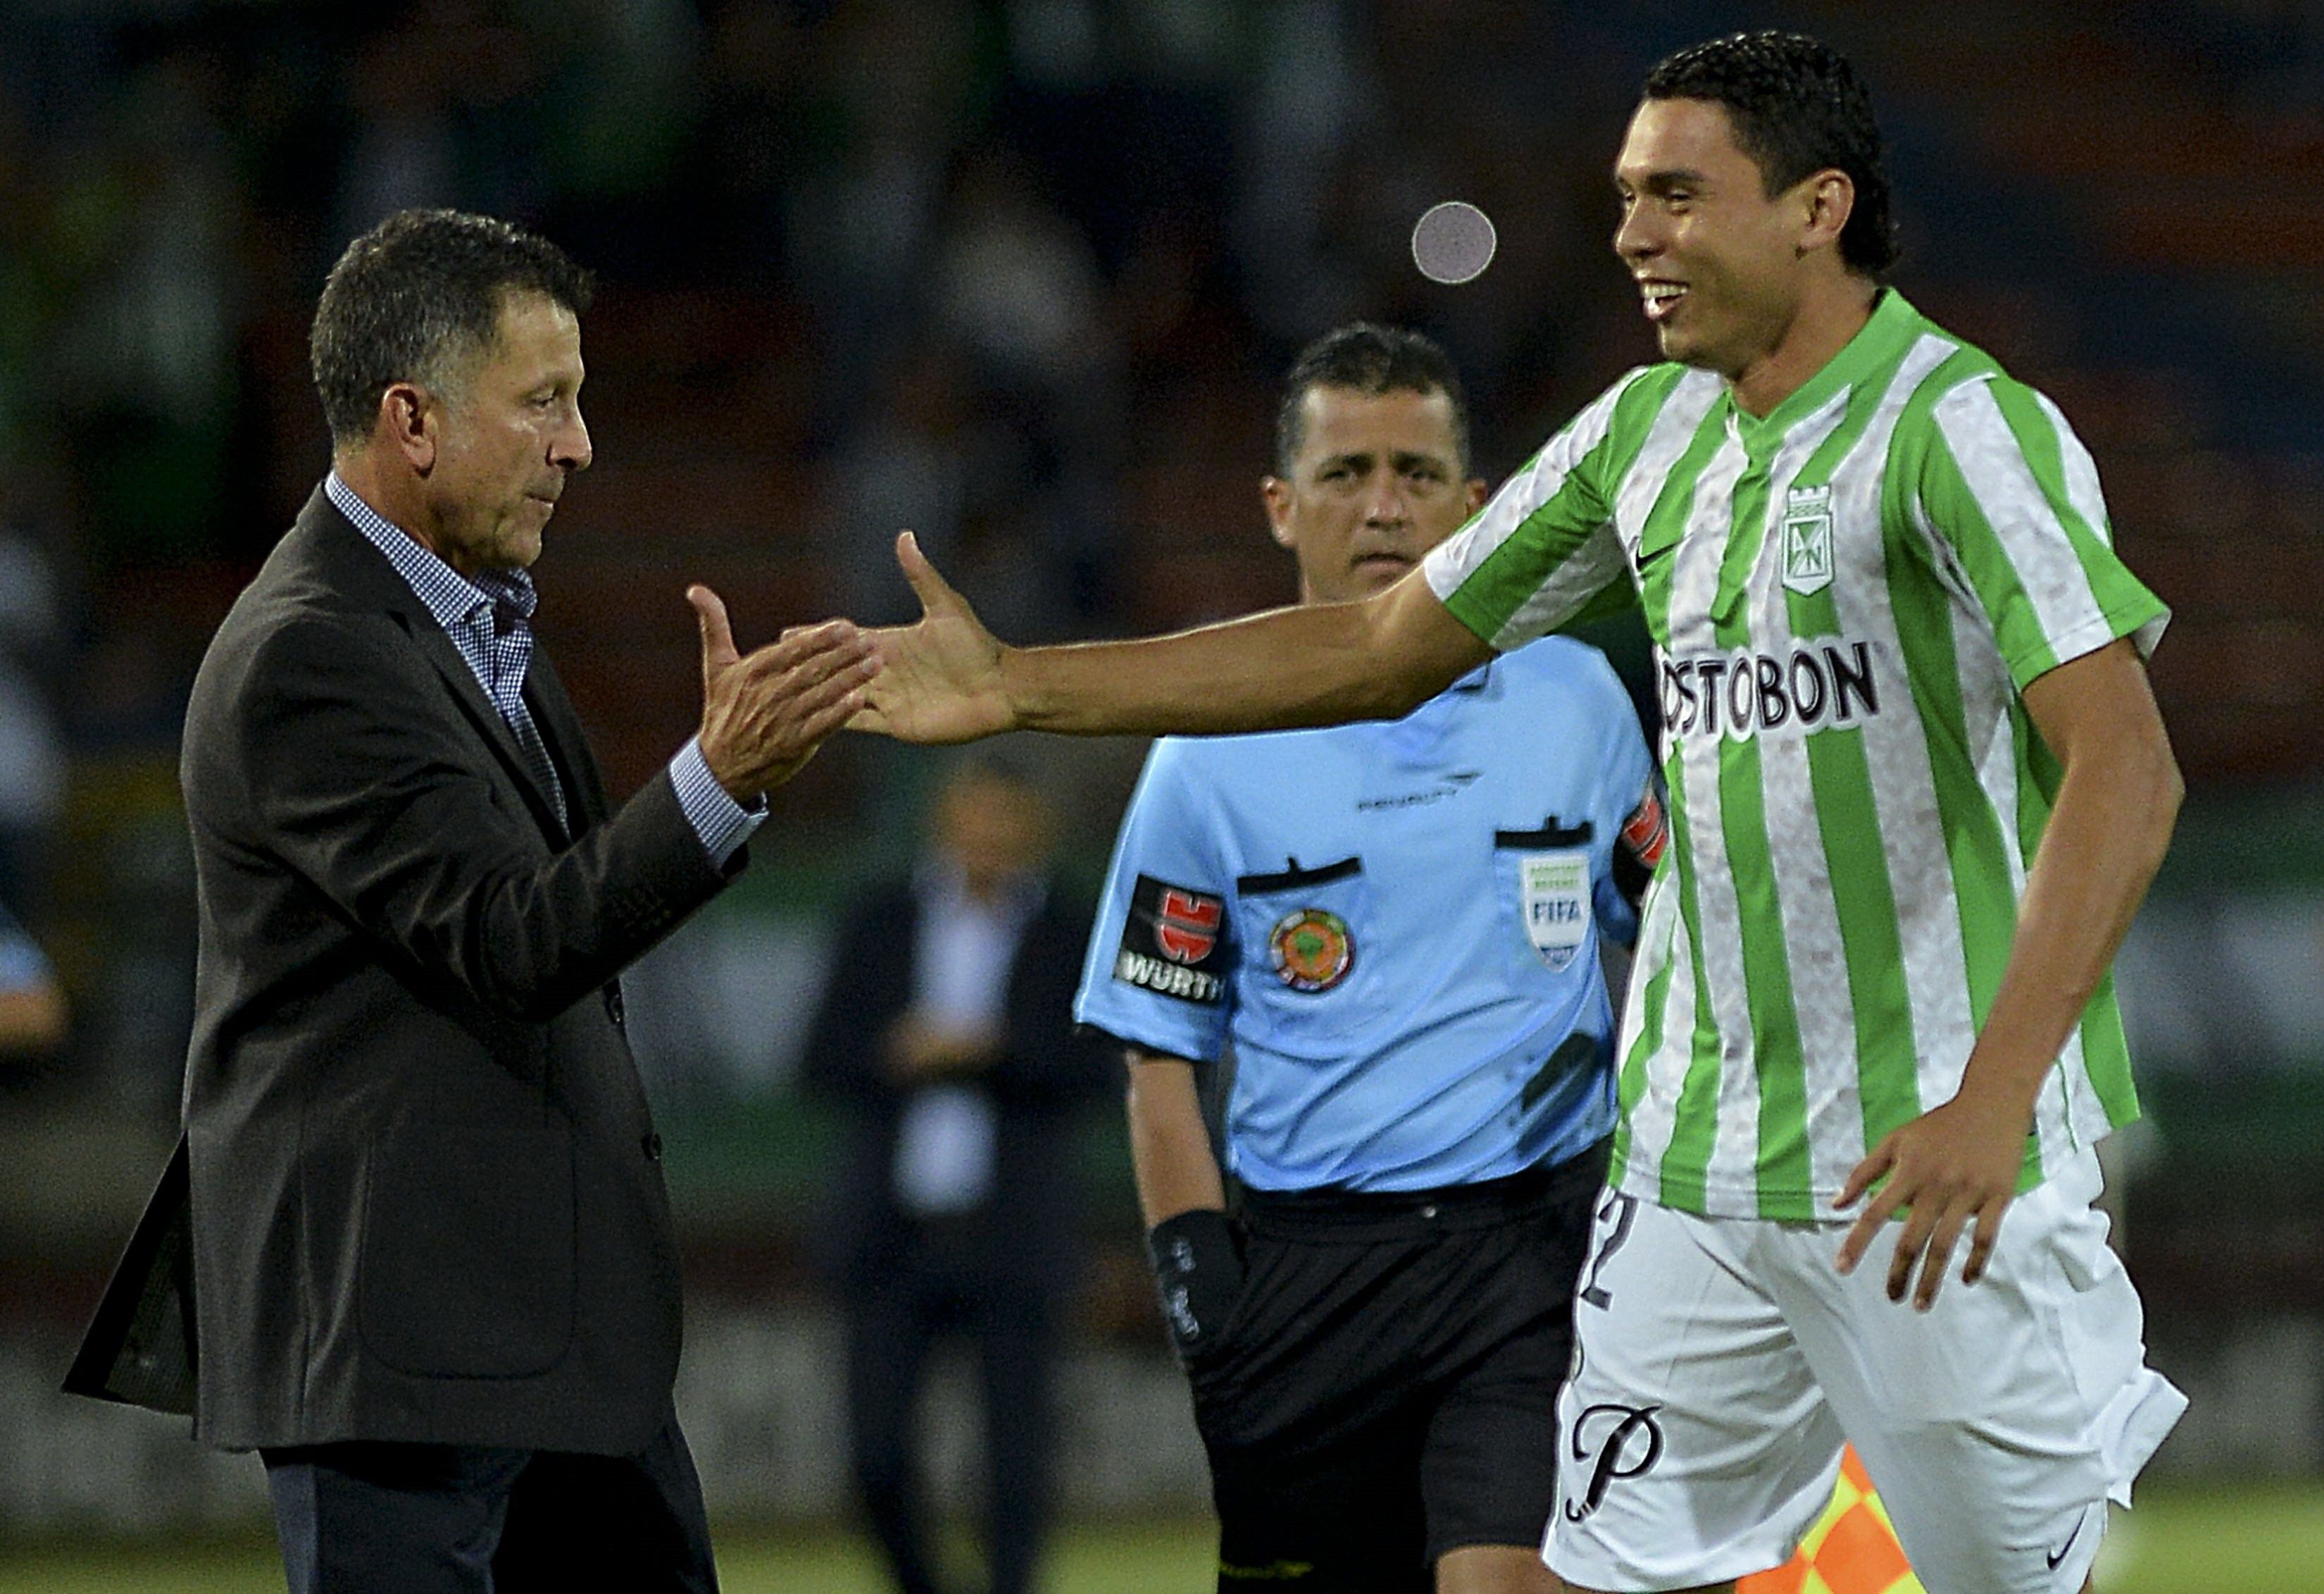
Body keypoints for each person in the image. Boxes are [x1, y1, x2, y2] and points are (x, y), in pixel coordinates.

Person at [849, 31, 2185, 1594]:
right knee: (1543, 1576)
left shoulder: (1960, 429)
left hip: (1930, 1166)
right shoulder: (1649, 434)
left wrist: (1992, 1097)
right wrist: (1020, 684)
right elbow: (1373, 643)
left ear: (1818, 208)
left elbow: (2128, 767)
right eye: (1627, 197)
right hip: (1692, 1167)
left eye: (1678, 197)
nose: (1632, 235)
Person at [66, 207, 877, 1593]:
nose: (578, 446)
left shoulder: (469, 624)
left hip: (540, 1330)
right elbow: (514, 936)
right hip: (403, 1344)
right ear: (412, 420)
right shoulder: (309, 656)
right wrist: (716, 781)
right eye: (546, 402)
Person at [1072, 323, 1658, 1594]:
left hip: (1532, 1249)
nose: (1384, 506)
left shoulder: (1578, 701)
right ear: (1282, 506)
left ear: (1479, 505)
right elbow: (1159, 1054)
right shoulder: (1205, 750)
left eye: (1416, 471)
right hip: (1306, 1267)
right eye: (1346, 474)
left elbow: (1672, 954)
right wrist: (1195, 1280)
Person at [801, 754, 1106, 1594]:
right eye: (972, 815)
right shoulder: (882, 920)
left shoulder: (1068, 930)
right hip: (890, 1233)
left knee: (1017, 1466)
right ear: (942, 819)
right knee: (876, 1458)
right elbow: (818, 1058)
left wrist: (988, 1054)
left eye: (1004, 819)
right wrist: (894, 1052)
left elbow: (1097, 1072)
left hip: (1014, 1232)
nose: (986, 836)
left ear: (1034, 830)